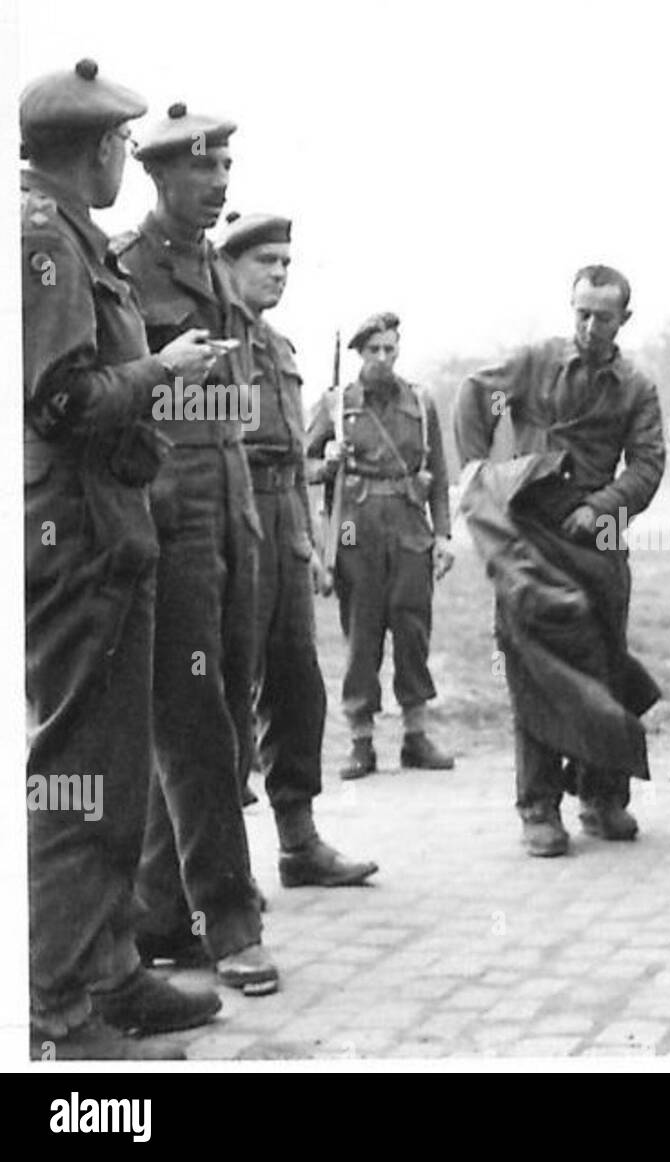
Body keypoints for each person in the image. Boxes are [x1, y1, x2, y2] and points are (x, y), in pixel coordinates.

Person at [21, 58, 222, 1058]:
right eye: (117, 145)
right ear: (95, 149)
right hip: (78, 542)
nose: (122, 160)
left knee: (113, 771)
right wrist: (162, 370)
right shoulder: (42, 242)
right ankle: (59, 1008)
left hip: (109, 534)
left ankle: (108, 971)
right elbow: (57, 400)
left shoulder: (71, 236)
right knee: (76, 778)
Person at [114, 101, 277, 996]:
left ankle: (161, 910)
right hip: (171, 505)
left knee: (228, 694)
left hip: (231, 497)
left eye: (224, 171)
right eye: (202, 172)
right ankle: (229, 916)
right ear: (159, 175)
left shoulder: (212, 266)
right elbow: (121, 397)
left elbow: (236, 399)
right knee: (192, 713)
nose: (218, 185)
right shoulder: (124, 269)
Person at [455, 265, 666, 857]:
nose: (590, 325)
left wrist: (602, 509)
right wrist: (480, 471)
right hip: (529, 534)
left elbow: (647, 467)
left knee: (603, 663)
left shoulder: (636, 386)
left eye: (603, 315)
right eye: (581, 312)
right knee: (534, 670)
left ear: (625, 318)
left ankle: (603, 798)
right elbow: (477, 393)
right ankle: (539, 808)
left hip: (598, 542)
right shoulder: (535, 362)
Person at [219, 212, 378, 887]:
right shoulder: (208, 345)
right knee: (226, 690)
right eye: (265, 262)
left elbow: (296, 459)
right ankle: (220, 869)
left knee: (296, 685)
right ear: (228, 266)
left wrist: (311, 542)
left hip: (284, 518)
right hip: (232, 513)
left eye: (286, 262)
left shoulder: (280, 347)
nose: (280, 273)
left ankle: (298, 840)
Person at [306, 313, 454, 778]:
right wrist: (326, 462)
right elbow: (301, 466)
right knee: (362, 635)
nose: (384, 359)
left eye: (391, 349)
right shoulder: (335, 406)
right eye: (375, 351)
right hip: (356, 532)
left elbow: (440, 478)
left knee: (413, 631)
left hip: (410, 529)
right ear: (359, 354)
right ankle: (361, 741)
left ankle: (416, 736)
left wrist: (444, 534)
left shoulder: (421, 401)